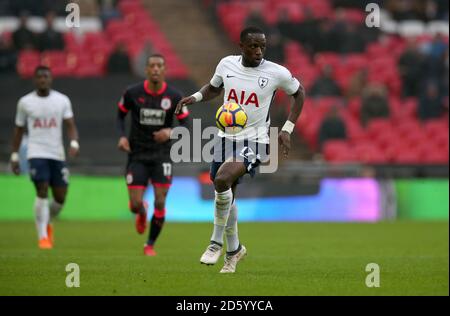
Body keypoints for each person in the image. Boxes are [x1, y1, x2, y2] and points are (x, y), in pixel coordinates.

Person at [175, 27, 305, 273]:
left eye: (262, 47)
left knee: (223, 179)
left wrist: (287, 129)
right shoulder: (226, 64)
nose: (258, 51)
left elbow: (299, 94)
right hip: (226, 136)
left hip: (255, 141)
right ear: (242, 46)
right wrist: (194, 97)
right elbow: (214, 88)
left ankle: (215, 243)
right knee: (224, 192)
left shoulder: (277, 72)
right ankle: (234, 251)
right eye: (253, 46)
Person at [116, 54, 189, 256]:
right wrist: (122, 137)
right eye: (152, 66)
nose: (156, 69)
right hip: (137, 154)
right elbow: (120, 115)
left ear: (165, 70)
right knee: (135, 204)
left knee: (160, 201)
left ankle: (149, 245)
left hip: (161, 155)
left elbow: (186, 124)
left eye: (159, 66)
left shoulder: (175, 97)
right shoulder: (132, 93)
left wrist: (170, 132)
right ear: (147, 70)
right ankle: (141, 210)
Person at [10, 65, 80, 249]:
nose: (43, 80)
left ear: (51, 79)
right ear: (35, 80)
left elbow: (70, 124)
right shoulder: (25, 102)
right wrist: (15, 155)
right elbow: (18, 130)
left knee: (60, 197)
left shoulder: (62, 100)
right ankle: (43, 237)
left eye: (46, 77)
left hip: (56, 153)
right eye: (39, 77)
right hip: (36, 152)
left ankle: (48, 221)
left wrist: (74, 143)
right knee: (41, 190)